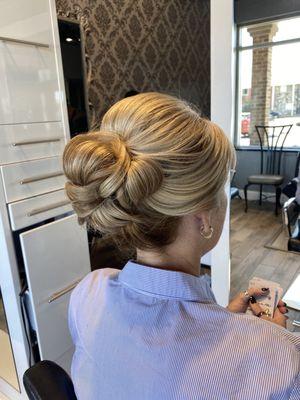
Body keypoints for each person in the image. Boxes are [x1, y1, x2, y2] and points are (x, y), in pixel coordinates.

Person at [63, 92, 300, 399]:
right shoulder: (281, 360)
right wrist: (268, 338)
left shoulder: (88, 294)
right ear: (202, 217)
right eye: (224, 184)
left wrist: (227, 322)